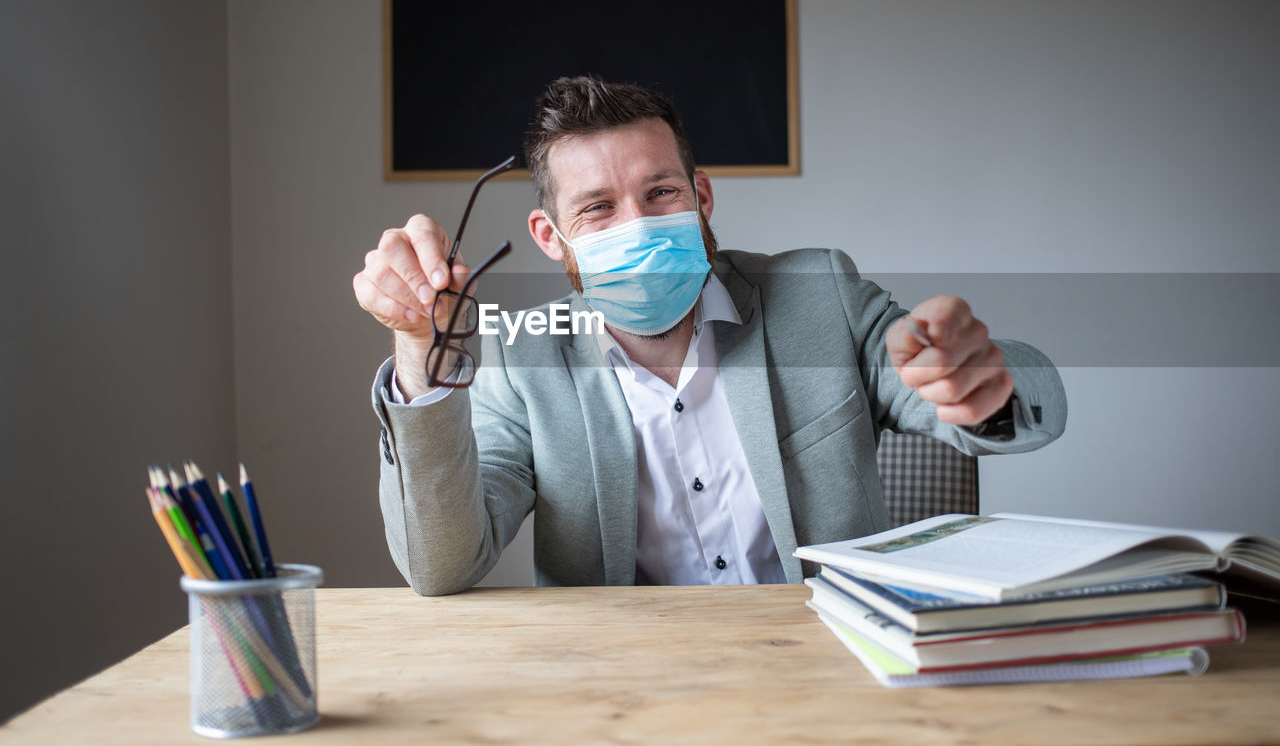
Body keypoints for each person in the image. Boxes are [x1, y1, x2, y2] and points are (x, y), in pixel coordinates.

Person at [353, 76, 1066, 596]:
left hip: (827, 668)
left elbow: (979, 391)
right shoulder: (524, 358)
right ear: (550, 236)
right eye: (598, 208)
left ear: (701, 196)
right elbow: (441, 564)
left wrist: (983, 386)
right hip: (625, 694)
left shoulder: (820, 295)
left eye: (660, 192)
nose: (637, 224)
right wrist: (418, 349)